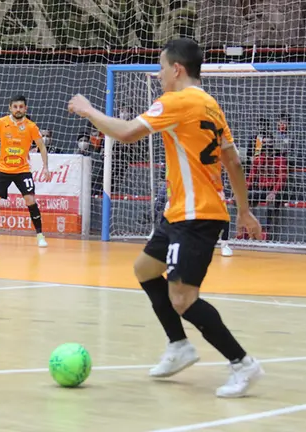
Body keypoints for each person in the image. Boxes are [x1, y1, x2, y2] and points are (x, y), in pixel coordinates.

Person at [68, 37, 264, 398]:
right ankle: (179, 345)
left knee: (183, 299)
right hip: (181, 211)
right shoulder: (211, 105)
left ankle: (243, 364)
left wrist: (89, 111)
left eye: (161, 67)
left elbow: (126, 134)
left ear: (177, 69)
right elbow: (233, 160)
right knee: (145, 269)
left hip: (196, 215)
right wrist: (244, 210)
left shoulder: (178, 101)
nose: (158, 75)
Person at [0, 95, 52, 248]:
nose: (18, 109)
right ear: (10, 108)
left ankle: (40, 236)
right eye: (15, 106)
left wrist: (45, 167)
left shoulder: (31, 126)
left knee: (30, 200)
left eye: (21, 107)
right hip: (2, 169)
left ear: (25, 108)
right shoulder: (1, 123)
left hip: (22, 170)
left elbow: (42, 146)